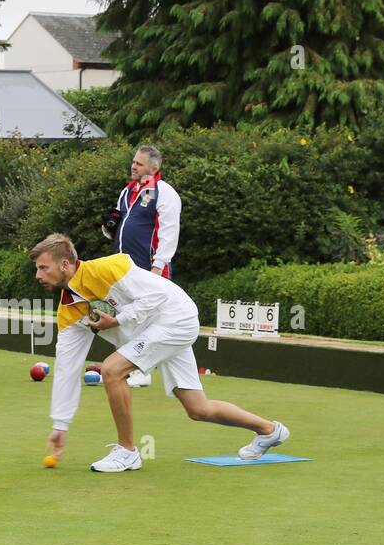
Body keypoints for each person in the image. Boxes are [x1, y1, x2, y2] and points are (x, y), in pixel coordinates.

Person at [31, 233, 288, 472]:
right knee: (198, 409)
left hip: (175, 317)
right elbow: (67, 369)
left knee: (112, 369)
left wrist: (118, 320)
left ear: (65, 264)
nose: (38, 275)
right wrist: (60, 425)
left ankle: (127, 451)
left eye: (43, 267)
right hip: (155, 333)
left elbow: (153, 296)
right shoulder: (69, 311)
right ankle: (269, 431)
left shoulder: (108, 268)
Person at [102, 145, 182, 387]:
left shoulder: (164, 192)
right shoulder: (127, 191)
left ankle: (142, 370)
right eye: (133, 161)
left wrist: (158, 266)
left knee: (150, 319)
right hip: (123, 267)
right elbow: (117, 229)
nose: (133, 166)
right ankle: (127, 367)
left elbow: (169, 231)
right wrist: (108, 226)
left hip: (148, 267)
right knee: (126, 316)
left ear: (153, 167)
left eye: (139, 163)